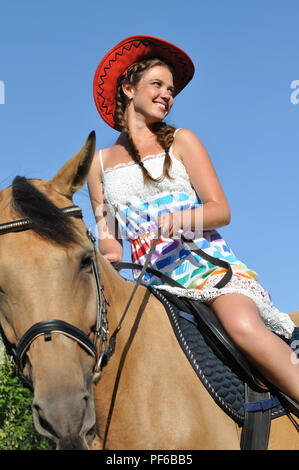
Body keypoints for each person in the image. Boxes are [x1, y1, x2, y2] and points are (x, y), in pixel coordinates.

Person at [88, 35, 299, 414]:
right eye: (157, 85)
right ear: (128, 88)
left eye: (170, 90)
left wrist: (183, 219)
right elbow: (111, 241)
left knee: (241, 327)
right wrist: (99, 256)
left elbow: (221, 210)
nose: (166, 95)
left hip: (205, 268)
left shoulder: (183, 141)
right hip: (147, 284)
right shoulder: (98, 166)